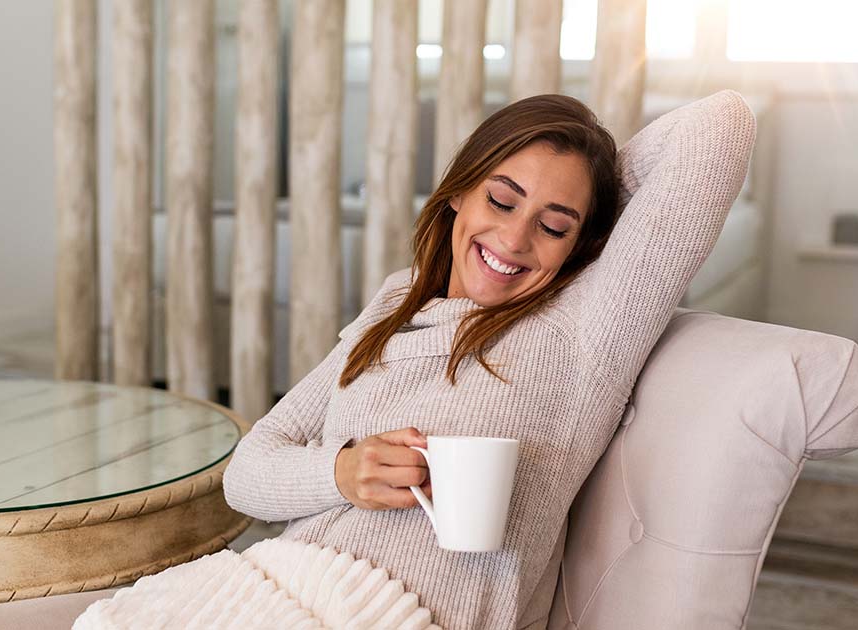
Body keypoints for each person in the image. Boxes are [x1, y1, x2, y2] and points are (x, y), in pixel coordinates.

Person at [223, 91, 755, 629]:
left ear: (581, 244)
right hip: (273, 585)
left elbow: (720, 127)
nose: (514, 238)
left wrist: (594, 172)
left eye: (554, 226)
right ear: (459, 191)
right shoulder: (396, 302)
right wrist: (339, 472)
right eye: (501, 200)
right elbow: (246, 471)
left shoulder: (586, 328)